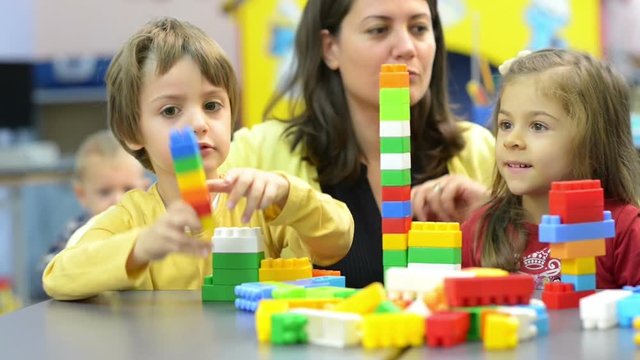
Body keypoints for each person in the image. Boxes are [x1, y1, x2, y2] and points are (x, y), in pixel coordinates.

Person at [43, 17, 353, 301]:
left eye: (213, 105)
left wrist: (288, 193)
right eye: (170, 110)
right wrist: (141, 247)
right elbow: (58, 277)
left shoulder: (259, 203)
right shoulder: (130, 219)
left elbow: (337, 240)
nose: (198, 124)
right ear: (132, 131)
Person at [220, 0, 495, 288]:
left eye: (419, 28)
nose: (406, 47)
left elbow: (534, 269)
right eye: (378, 29)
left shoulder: (476, 149)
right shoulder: (258, 151)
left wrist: (492, 218)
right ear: (330, 48)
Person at [462, 49, 640, 289]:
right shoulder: (479, 229)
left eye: (537, 126)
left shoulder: (626, 230)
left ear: (593, 145)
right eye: (506, 124)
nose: (511, 140)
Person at [42, 130, 149, 267]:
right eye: (105, 192)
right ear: (82, 195)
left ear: (145, 189)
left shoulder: (149, 226)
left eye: (128, 189)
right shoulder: (77, 231)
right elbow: (50, 270)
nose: (117, 200)